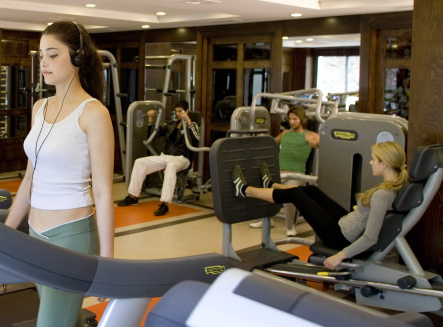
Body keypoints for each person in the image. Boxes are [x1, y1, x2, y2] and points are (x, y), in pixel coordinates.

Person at [4, 21, 115, 327]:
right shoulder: (40, 108)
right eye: (41, 56)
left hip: (72, 238)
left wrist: (108, 263)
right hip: (36, 235)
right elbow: (29, 180)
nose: (44, 63)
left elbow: (104, 193)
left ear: (78, 57)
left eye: (53, 55)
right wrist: (6, 234)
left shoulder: (93, 113)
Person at [232, 141, 408, 270]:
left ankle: (245, 190)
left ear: (384, 164)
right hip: (346, 224)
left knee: (296, 195)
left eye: (373, 159)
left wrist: (339, 256)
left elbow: (370, 238)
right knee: (312, 191)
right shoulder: (393, 187)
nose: (370, 162)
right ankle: (271, 186)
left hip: (340, 237)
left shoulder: (382, 195)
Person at [116, 100, 197, 216]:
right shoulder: (171, 124)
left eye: (181, 111)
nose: (178, 114)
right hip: (166, 156)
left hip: (182, 158)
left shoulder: (192, 125)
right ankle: (133, 197)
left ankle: (165, 204)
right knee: (140, 162)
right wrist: (151, 119)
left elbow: (196, 138)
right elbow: (155, 134)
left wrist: (188, 120)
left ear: (187, 111)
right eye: (176, 111)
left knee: (171, 166)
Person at [250, 105, 320, 236]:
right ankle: (265, 219)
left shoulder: (309, 135)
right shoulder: (285, 133)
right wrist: (263, 137)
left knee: (290, 193)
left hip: (296, 176)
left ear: (302, 119)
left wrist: (317, 144)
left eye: (295, 119)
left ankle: (290, 227)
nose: (292, 122)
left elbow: (326, 144)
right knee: (261, 185)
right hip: (279, 173)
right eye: (290, 119)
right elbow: (272, 143)